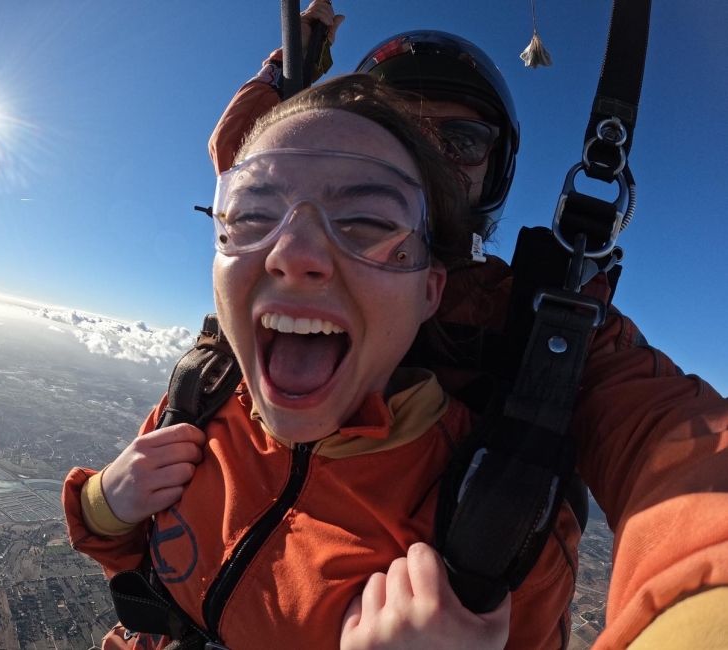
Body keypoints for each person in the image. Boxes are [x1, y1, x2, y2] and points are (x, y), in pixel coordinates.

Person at [197, 5, 728, 649]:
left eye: (463, 141)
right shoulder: (278, 249)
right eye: (399, 125)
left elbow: (672, 438)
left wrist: (702, 607)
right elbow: (259, 157)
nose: (428, 154)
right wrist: (294, 62)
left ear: (495, 171)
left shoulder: (539, 322)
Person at [65, 74, 514, 649]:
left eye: (368, 222)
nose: (292, 255)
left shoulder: (487, 517)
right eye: (252, 214)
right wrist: (107, 506)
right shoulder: (203, 398)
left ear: (430, 290)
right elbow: (145, 576)